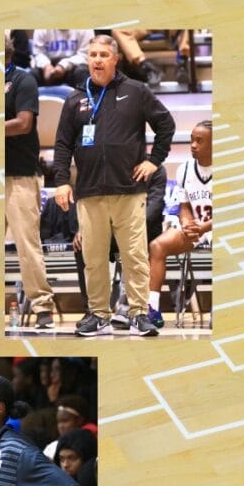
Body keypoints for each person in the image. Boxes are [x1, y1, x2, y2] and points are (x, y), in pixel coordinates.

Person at [53, 35, 175, 337]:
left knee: (134, 256)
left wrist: (153, 161)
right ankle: (98, 314)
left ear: (115, 59)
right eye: (92, 54)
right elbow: (62, 145)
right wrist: (60, 183)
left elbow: (166, 125)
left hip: (129, 191)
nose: (97, 60)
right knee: (93, 260)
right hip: (90, 193)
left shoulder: (136, 91)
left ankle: (138, 313)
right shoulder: (74, 100)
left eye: (103, 54)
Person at [4, 32, 56, 329]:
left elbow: (25, 124)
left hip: (20, 175)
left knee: (28, 245)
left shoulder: (23, 80)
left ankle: (42, 307)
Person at [148, 120, 212, 327]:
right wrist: (187, 223)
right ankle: (152, 309)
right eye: (192, 140)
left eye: (199, 141)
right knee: (157, 246)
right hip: (196, 228)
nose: (193, 145)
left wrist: (204, 227)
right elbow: (184, 206)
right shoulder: (184, 169)